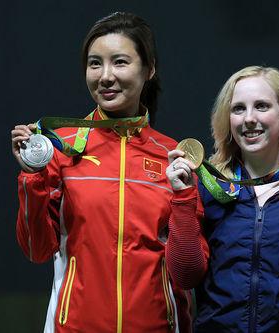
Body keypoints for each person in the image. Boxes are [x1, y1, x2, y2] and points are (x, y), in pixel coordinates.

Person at [11, 12, 191, 332]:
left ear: (149, 69)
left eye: (119, 62)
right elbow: (37, 250)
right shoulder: (61, 147)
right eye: (95, 64)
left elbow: (187, 265)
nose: (105, 76)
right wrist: (31, 176)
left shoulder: (172, 156)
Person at [165, 66, 279, 332]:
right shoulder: (209, 185)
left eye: (262, 106)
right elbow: (185, 275)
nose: (249, 119)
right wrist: (183, 199)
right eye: (238, 109)